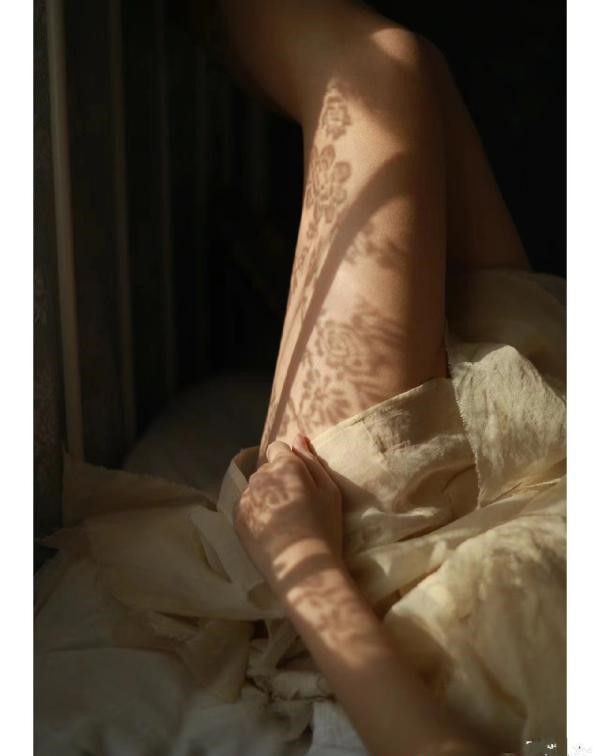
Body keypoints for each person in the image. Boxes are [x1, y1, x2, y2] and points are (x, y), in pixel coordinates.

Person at [210, 1, 531, 753]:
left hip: (441, 556)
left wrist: (305, 565)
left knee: (375, 71)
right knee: (416, 71)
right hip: (551, 452)